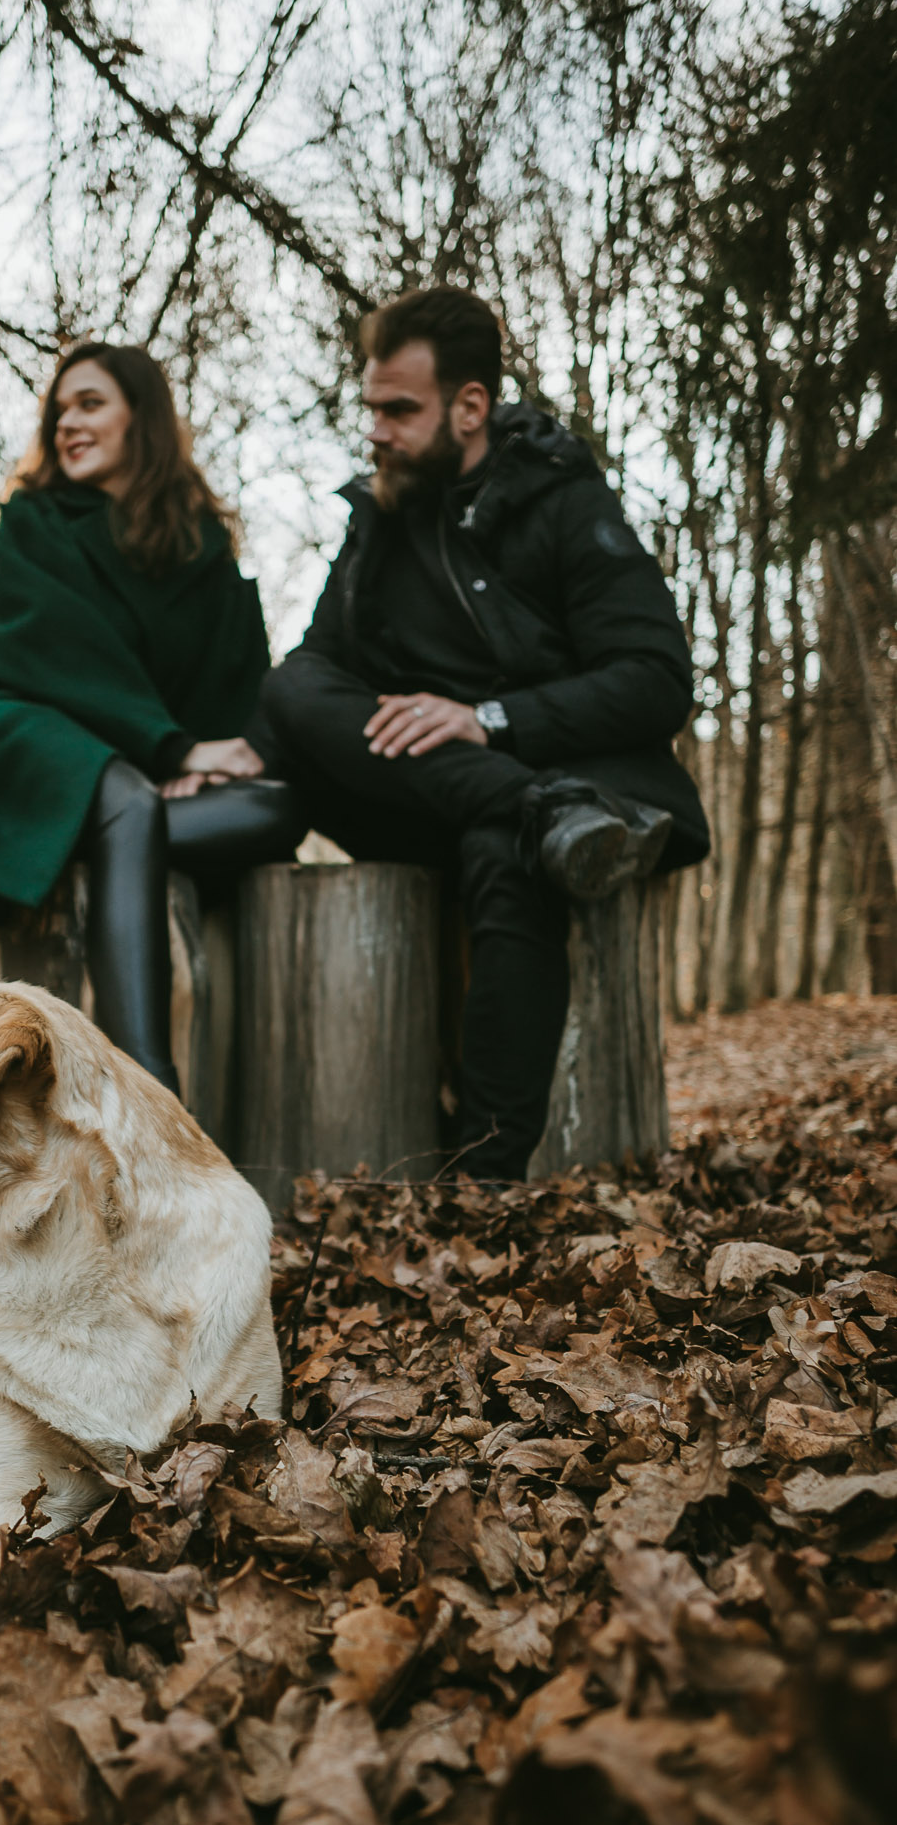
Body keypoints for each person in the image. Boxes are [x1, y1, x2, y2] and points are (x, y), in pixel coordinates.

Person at [247, 285, 709, 1180]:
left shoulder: (565, 505)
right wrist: (246, 750)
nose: (376, 430)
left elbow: (656, 681)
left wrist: (489, 721)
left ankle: (484, 1178)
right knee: (289, 693)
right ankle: (543, 808)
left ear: (469, 406)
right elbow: (314, 672)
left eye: (399, 409)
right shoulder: (377, 518)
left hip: (548, 787)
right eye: (370, 408)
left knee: (507, 849)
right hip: (447, 793)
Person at [0, 342, 302, 1094]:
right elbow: (56, 653)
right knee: (120, 796)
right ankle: (147, 1089)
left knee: (277, 806)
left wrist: (194, 763)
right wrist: (172, 752)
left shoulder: (201, 546)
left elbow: (233, 683)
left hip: (144, 773)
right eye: (59, 410)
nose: (67, 423)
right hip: (21, 728)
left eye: (89, 404)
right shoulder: (31, 525)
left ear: (139, 418)